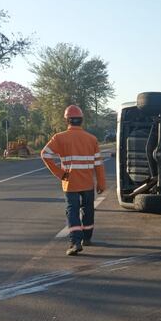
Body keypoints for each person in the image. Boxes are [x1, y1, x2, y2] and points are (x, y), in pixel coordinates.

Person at [41, 105, 106, 255]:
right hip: (88, 183)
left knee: (73, 211)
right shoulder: (92, 139)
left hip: (70, 183)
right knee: (88, 210)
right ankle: (87, 238)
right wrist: (101, 183)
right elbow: (98, 163)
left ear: (67, 120)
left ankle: (75, 242)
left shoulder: (59, 138)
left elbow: (45, 154)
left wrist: (60, 174)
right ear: (81, 120)